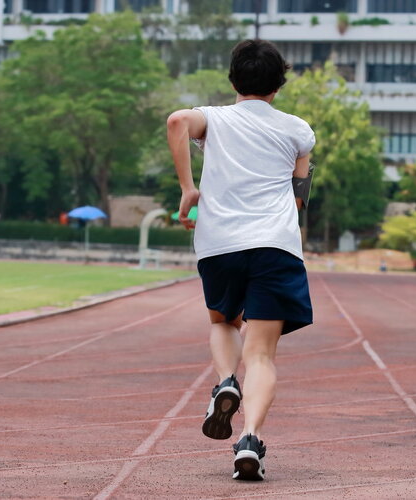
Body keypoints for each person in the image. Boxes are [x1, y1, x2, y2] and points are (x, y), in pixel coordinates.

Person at [166, 39, 315, 481]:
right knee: (263, 354)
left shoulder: (212, 119)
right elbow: (300, 195)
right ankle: (249, 439)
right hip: (275, 245)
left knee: (223, 322)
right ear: (278, 86)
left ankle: (226, 380)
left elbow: (176, 121)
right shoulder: (297, 130)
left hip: (220, 243)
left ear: (233, 81)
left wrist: (188, 189)